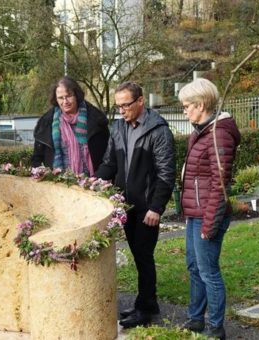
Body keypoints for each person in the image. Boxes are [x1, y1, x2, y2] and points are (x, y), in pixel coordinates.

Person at [95, 81, 176, 328]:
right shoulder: (118, 128)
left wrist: (156, 207)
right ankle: (146, 303)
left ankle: (145, 309)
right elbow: (110, 163)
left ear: (140, 101)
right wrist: (92, 184)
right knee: (138, 254)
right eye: (118, 106)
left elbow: (166, 172)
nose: (121, 110)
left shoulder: (158, 131)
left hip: (146, 208)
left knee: (143, 256)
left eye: (126, 105)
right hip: (126, 206)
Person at [178, 78, 241, 339]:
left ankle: (216, 328)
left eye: (186, 106)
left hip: (208, 214)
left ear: (201, 105)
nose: (184, 111)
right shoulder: (201, 131)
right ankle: (196, 319)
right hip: (195, 212)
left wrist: (209, 224)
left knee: (209, 272)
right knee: (194, 267)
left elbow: (219, 185)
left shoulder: (219, 134)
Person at [31, 76, 110, 175]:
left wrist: (99, 178)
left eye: (68, 96)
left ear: (76, 95)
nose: (65, 102)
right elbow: (37, 158)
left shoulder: (97, 120)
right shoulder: (45, 123)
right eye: (60, 98)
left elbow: (108, 157)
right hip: (58, 183)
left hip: (91, 183)